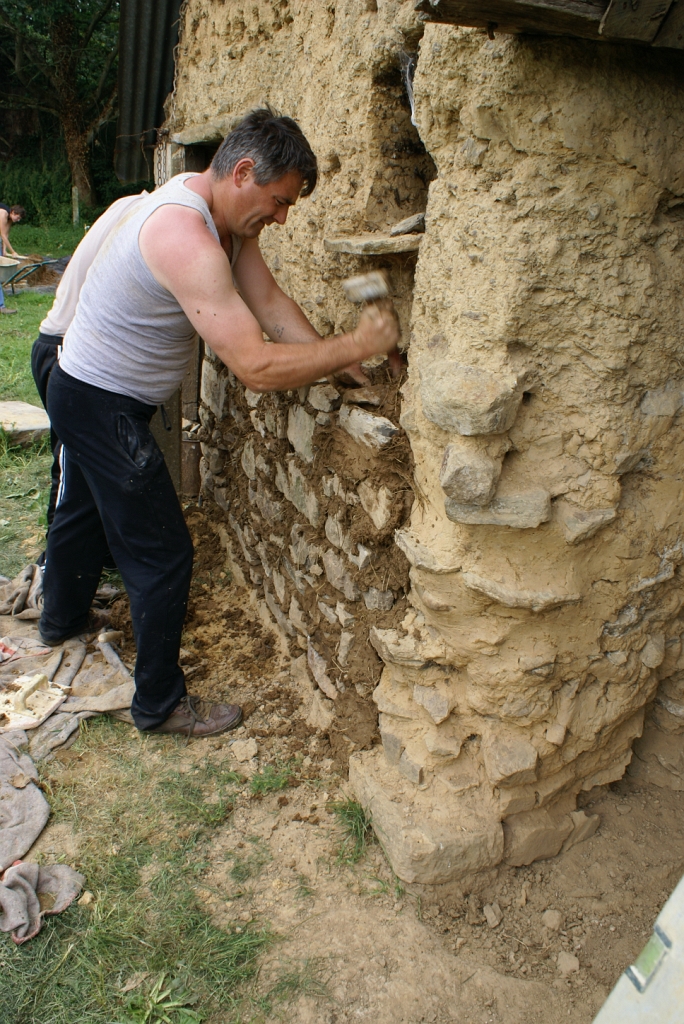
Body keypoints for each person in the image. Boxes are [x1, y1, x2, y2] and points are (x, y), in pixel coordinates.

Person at [39, 107, 400, 740]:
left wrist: (348, 366)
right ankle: (158, 704)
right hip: (95, 398)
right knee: (163, 553)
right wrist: (356, 341)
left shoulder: (228, 227)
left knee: (85, 513)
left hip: (103, 394)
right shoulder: (185, 235)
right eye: (280, 200)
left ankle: (59, 621)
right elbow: (255, 366)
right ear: (241, 172)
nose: (283, 217)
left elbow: (270, 306)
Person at [32, 190, 149, 553]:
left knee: (88, 469)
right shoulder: (149, 219)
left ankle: (94, 558)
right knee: (72, 471)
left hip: (72, 345)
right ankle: (54, 568)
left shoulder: (134, 206)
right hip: (70, 349)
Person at [0, 202, 25, 315]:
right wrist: (13, 252)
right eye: (18, 217)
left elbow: (6, 233)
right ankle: (1, 306)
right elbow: (2, 235)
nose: (18, 220)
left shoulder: (9, 219)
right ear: (13, 212)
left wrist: (5, 250)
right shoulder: (3, 213)